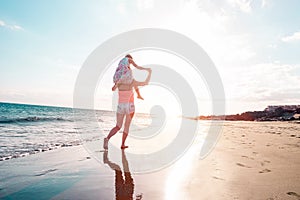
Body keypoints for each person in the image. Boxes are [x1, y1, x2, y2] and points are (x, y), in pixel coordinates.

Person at [104, 67, 152, 149]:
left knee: (118, 126)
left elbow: (113, 89)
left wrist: (117, 84)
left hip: (120, 106)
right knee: (126, 126)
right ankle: (122, 144)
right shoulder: (132, 81)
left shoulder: (119, 81)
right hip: (129, 106)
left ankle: (107, 138)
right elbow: (145, 83)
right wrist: (149, 72)